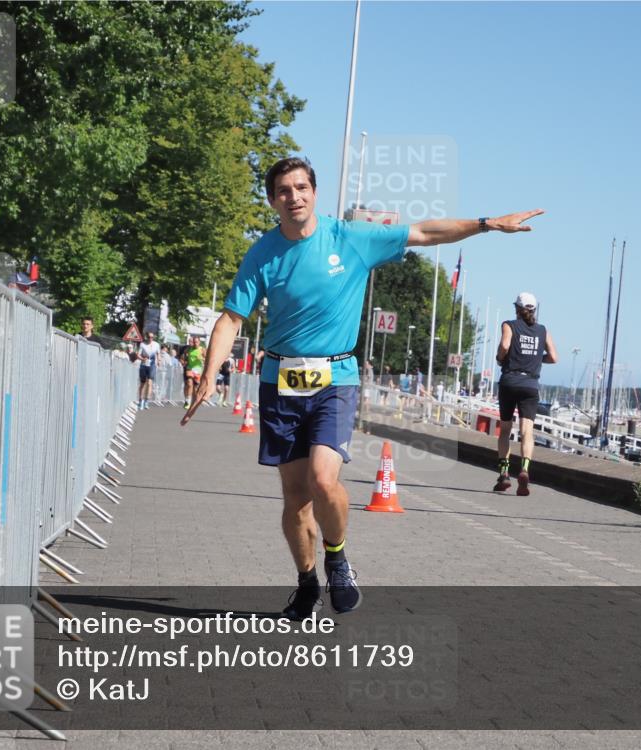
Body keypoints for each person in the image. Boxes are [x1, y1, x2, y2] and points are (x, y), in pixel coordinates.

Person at [180, 156, 544, 619]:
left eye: (301, 188)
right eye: (284, 191)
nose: (294, 197)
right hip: (280, 382)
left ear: (314, 191)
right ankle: (307, 583)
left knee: (322, 479)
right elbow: (232, 318)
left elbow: (426, 233)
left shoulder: (349, 238)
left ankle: (338, 558)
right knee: (295, 501)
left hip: (336, 379)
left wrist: (489, 224)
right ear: (273, 200)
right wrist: (211, 373)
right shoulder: (263, 253)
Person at [493, 292, 558, 496]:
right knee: (527, 432)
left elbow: (504, 345)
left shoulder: (509, 325)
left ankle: (504, 474)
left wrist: (500, 357)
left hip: (510, 381)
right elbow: (554, 357)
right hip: (530, 384)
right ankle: (524, 469)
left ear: (516, 309)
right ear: (534, 309)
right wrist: (538, 359)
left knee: (505, 430)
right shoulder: (543, 331)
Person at [137, 331, 161, 410]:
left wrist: (159, 361)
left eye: (152, 337)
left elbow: (158, 354)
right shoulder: (142, 344)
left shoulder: (156, 345)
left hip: (152, 365)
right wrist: (142, 358)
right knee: (143, 383)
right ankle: (141, 400)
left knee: (150, 382)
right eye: (149, 337)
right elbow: (138, 355)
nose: (151, 339)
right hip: (144, 364)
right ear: (146, 337)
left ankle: (147, 401)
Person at [180, 336, 205, 409]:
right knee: (189, 383)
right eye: (194, 342)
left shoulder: (202, 350)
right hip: (190, 368)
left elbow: (206, 359)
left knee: (196, 388)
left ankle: (194, 403)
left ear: (199, 342)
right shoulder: (188, 349)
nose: (195, 343)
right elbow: (182, 357)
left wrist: (201, 358)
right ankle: (187, 400)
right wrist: (183, 362)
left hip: (198, 370)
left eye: (196, 342)